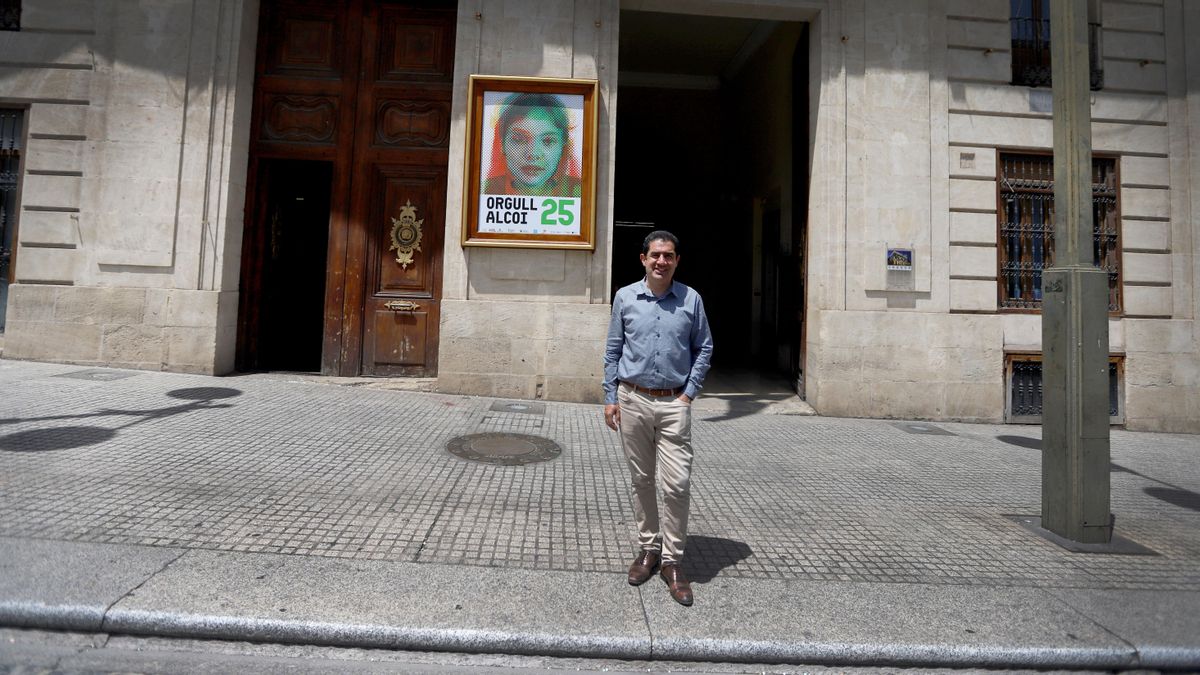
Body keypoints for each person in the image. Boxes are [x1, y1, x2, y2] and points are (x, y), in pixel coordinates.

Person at [603, 230, 713, 606]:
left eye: (668, 255)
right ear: (643, 259)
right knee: (641, 479)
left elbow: (704, 347)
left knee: (677, 484)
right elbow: (613, 349)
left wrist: (688, 394)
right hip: (632, 399)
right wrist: (610, 397)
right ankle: (649, 549)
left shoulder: (691, 299)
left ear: (677, 260)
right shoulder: (625, 297)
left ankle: (673, 560)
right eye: (655, 255)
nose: (661, 261)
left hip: (673, 403)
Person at [482, 93, 582, 198]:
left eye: (547, 141)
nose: (533, 154)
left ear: (563, 147)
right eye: (519, 140)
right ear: (502, 145)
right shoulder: (485, 190)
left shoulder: (580, 192)